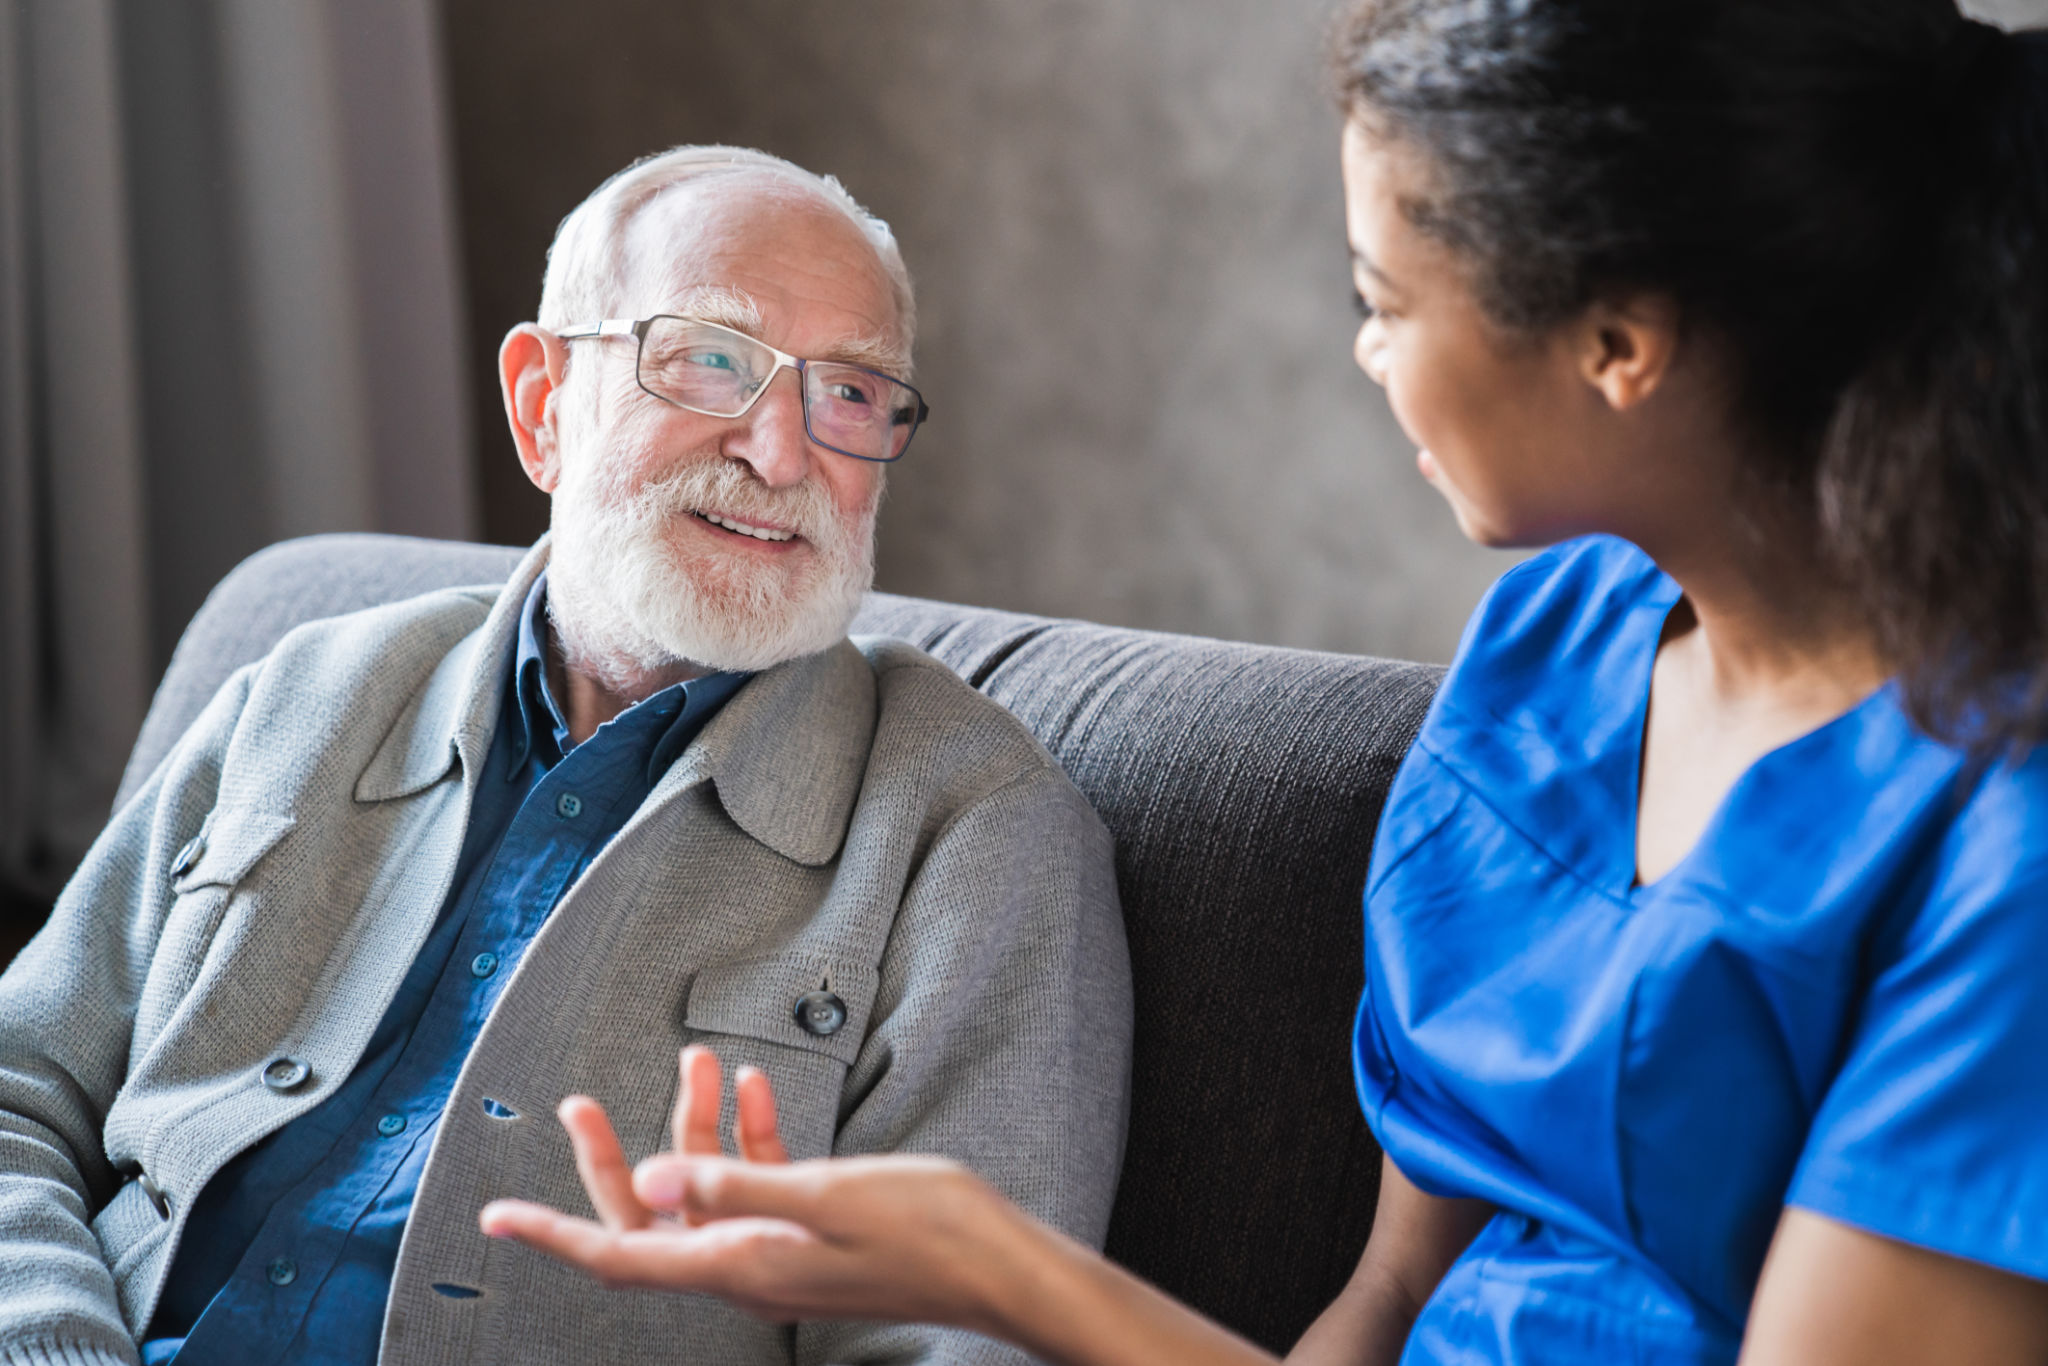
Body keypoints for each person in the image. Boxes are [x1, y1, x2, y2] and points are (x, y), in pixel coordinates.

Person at [478, 3, 2048, 1364]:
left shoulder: (2000, 844)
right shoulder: (1547, 653)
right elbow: (1388, 1298)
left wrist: (998, 1266)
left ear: (1618, 343)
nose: (1368, 357)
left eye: (1384, 298)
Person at [0, 145, 1132, 1366]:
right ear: (544, 402)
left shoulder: (971, 834)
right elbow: (20, 1086)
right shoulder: (303, 684)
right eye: (710, 359)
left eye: (851, 393)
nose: (781, 451)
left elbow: (963, 1345)